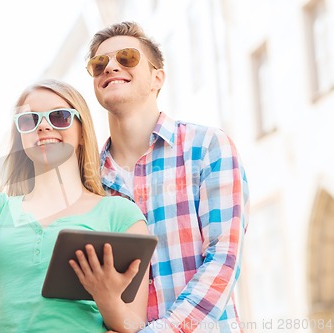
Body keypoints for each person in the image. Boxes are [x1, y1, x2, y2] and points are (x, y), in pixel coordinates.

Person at [0, 51, 151, 332]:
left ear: (82, 132)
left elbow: (134, 324)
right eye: (29, 120)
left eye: (59, 117)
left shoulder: (121, 215)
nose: (43, 125)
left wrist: (107, 298)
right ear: (20, 136)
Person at [84, 21, 250, 332]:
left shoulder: (207, 149)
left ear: (157, 78)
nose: (111, 66)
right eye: (99, 63)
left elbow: (222, 261)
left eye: (127, 58)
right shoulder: (88, 179)